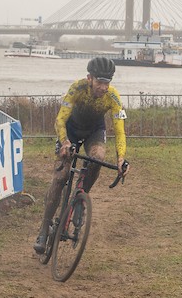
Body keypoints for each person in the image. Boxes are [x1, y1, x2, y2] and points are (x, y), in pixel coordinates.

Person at [33, 57, 129, 254]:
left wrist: (121, 159)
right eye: (100, 82)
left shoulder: (113, 97)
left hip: (94, 132)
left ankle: (81, 200)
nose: (104, 87)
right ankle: (44, 229)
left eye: (107, 82)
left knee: (98, 158)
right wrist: (65, 142)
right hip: (71, 131)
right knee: (61, 177)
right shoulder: (77, 88)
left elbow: (120, 131)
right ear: (89, 78)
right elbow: (60, 119)